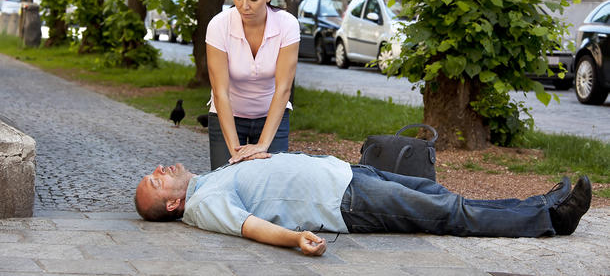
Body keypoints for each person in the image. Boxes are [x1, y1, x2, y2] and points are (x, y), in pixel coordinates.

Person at [134, 152, 592, 257]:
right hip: (347, 200)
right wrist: (296, 240)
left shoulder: (207, 181)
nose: (160, 170)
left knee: (440, 195)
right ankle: (552, 218)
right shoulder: (204, 204)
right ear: (172, 206)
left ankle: (539, 204)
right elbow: (250, 225)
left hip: (346, 174)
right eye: (156, 181)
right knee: (449, 215)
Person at [205, 0, 300, 170]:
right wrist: (235, 151)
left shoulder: (288, 25)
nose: (244, 6)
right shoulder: (219, 25)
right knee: (225, 181)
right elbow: (220, 92)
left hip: (272, 115)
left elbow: (283, 88)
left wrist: (263, 144)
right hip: (229, 115)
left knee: (272, 183)